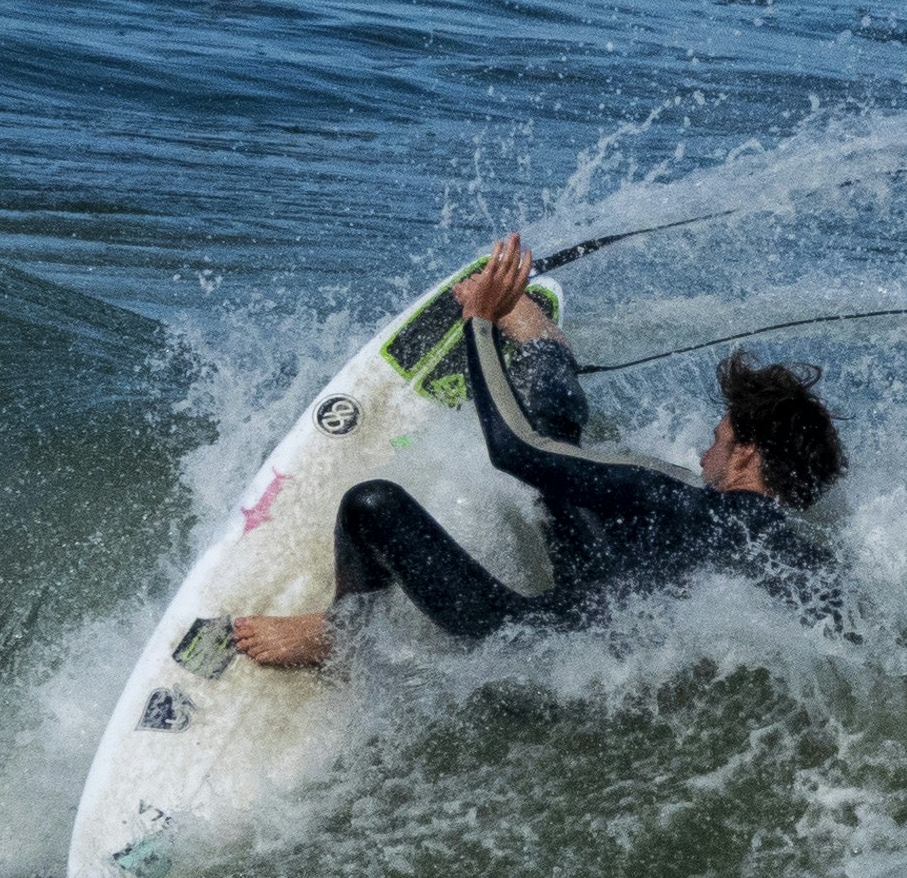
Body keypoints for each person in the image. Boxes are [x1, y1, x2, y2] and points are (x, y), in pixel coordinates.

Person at [231, 233, 846, 665]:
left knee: (371, 505)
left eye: (717, 443)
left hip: (533, 654)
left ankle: (345, 635)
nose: (703, 455)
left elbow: (513, 451)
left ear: (746, 458)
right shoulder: (806, 559)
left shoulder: (681, 498)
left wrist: (477, 322)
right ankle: (536, 337)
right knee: (566, 470)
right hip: (604, 653)